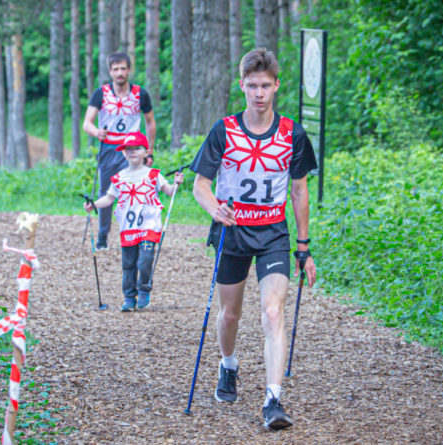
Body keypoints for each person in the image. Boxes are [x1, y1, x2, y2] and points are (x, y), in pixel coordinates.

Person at [190, 48, 318, 430]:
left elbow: (299, 191)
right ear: (241, 86)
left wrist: (304, 247)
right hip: (232, 232)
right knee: (230, 314)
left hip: (273, 235)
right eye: (252, 86)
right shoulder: (224, 130)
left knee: (273, 311)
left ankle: (273, 399)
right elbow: (200, 185)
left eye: (266, 85)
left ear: (276, 86)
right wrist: (215, 209)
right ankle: (228, 365)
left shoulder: (292, 132)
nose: (259, 92)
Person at [83, 132, 183, 312]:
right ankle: (129, 297)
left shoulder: (153, 175)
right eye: (128, 149)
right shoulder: (120, 177)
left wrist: (176, 183)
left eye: (137, 148)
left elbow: (169, 191)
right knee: (128, 264)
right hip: (128, 228)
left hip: (148, 226)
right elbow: (108, 198)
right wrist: (93, 205)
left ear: (146, 152)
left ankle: (144, 288)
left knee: (144, 260)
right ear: (123, 153)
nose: (132, 152)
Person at [82, 52, 156, 250]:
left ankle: (135, 234)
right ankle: (103, 235)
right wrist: (97, 131)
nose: (120, 73)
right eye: (116, 69)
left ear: (129, 70)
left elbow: (150, 122)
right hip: (108, 148)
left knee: (134, 190)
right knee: (107, 191)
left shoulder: (141, 94)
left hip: (133, 149)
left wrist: (149, 150)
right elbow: (86, 123)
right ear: (110, 72)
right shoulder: (101, 93)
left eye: (123, 68)